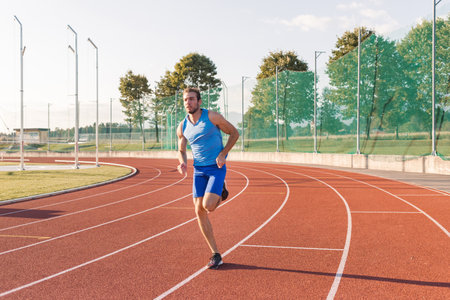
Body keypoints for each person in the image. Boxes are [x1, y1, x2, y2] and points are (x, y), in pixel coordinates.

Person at [177, 87, 239, 269]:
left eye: (191, 99)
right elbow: (181, 148)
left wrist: (223, 154)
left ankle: (221, 189)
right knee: (198, 211)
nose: (188, 102)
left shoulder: (212, 117)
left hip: (216, 167)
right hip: (199, 171)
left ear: (199, 101)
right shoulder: (183, 126)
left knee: (208, 206)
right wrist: (182, 162)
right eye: (186, 100)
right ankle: (215, 253)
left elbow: (234, 133)